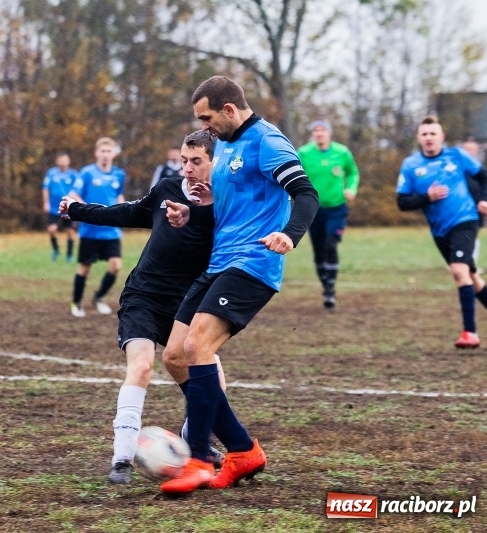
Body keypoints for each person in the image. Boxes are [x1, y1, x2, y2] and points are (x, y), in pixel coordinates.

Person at [158, 76, 319, 494]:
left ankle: (197, 459)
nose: (204, 128)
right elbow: (234, 209)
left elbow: (306, 194)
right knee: (175, 356)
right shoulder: (227, 143)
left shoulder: (268, 142)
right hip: (219, 262)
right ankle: (243, 450)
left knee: (198, 346)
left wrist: (290, 235)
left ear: (229, 110)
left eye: (207, 118)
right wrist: (192, 214)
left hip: (253, 262)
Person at [60, 130, 227, 484]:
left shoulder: (228, 203)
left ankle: (193, 441)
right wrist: (77, 210)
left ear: (217, 162)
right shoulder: (166, 189)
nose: (187, 168)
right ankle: (122, 458)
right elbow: (128, 212)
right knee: (142, 365)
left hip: (188, 302)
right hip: (144, 295)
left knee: (213, 376)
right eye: (184, 160)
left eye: (196, 161)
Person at [397, 116, 487, 349]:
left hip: (465, 220)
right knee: (470, 276)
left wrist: (485, 200)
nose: (429, 138)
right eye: (424, 134)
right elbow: (402, 202)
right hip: (439, 230)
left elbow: (483, 177)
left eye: (433, 133)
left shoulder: (456, 155)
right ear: (419, 138)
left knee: (459, 271)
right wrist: (426, 197)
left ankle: (470, 333)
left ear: (442, 137)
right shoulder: (411, 165)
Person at [297, 119, 360, 309]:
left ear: (329, 133)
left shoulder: (342, 152)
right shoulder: (304, 153)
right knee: (318, 249)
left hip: (337, 207)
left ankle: (331, 288)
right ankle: (326, 285)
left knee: (330, 244)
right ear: (312, 134)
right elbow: (295, 174)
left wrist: (351, 189)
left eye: (322, 130)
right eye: (315, 130)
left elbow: (353, 173)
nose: (319, 133)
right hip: (313, 209)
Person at [68, 137, 126, 318]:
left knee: (116, 266)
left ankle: (99, 297)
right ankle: (76, 302)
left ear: (113, 154)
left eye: (109, 151)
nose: (105, 155)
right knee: (85, 268)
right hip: (90, 230)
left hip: (111, 230)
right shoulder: (87, 173)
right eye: (102, 151)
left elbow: (119, 196)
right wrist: (89, 212)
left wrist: (124, 211)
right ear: (96, 153)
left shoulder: (119, 174)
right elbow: (73, 194)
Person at [42, 153, 79, 262]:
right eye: (61, 160)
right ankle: (56, 250)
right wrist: (46, 203)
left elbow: (78, 191)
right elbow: (45, 188)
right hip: (54, 207)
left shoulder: (74, 175)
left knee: (70, 232)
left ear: (69, 162)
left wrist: (76, 204)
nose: (63, 163)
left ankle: (69, 255)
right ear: (57, 162)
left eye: (65, 160)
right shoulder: (51, 173)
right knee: (52, 229)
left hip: (68, 207)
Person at [462, 138, 485, 271]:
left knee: (473, 237)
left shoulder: (479, 170)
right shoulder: (458, 170)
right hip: (461, 209)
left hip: (477, 209)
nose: (469, 152)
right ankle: (460, 262)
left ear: (476, 151)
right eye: (466, 150)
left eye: (471, 150)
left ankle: (470, 265)